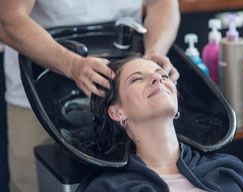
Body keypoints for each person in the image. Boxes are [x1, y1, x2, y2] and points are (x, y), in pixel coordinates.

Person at [0, 0, 180, 191]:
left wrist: (153, 54)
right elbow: (8, 19)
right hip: (39, 91)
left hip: (125, 91)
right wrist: (71, 64)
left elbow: (163, 3)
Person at [85, 57, 243, 192]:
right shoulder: (109, 188)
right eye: (137, 79)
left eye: (162, 74)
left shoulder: (227, 169)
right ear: (117, 112)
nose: (157, 79)